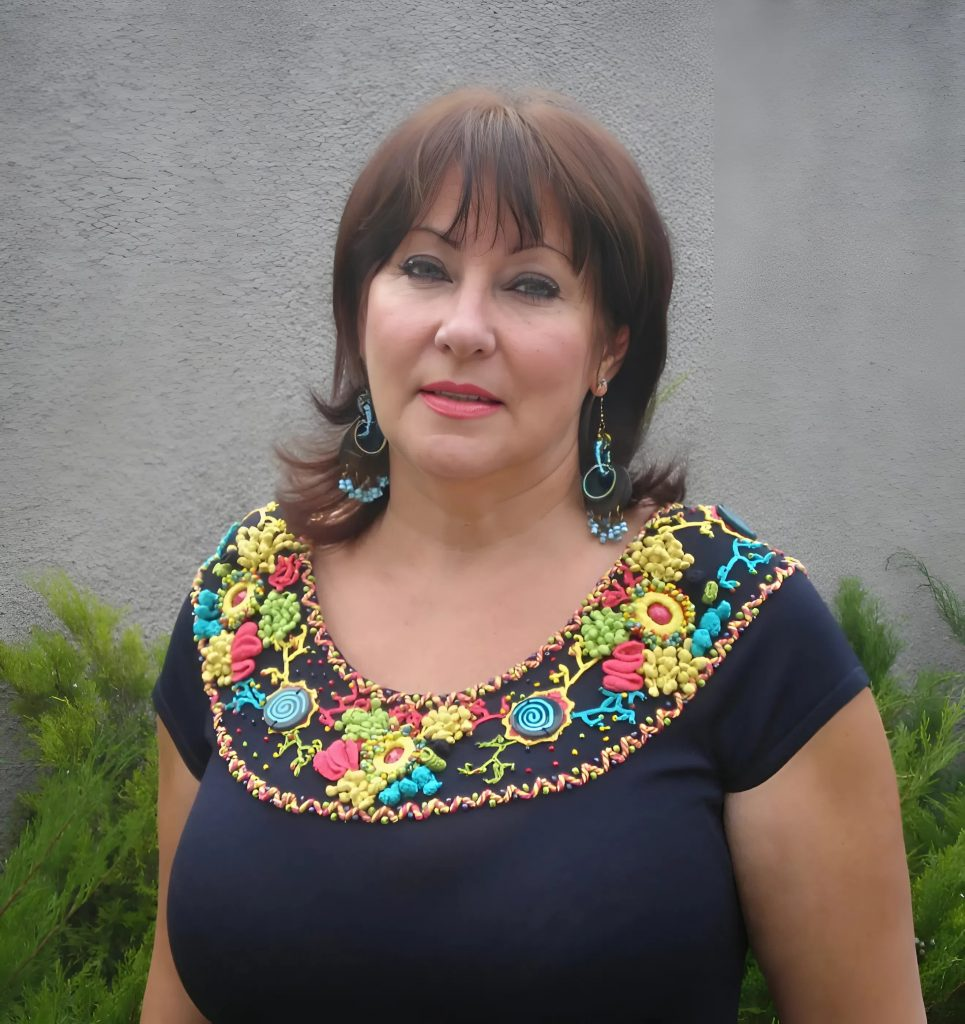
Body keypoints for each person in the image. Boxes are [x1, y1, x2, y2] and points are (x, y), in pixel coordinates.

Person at [141, 88, 926, 1023]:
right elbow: (175, 998)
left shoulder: (733, 618)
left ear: (609, 350)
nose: (464, 327)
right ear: (359, 310)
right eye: (424, 268)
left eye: (531, 285)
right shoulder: (242, 602)